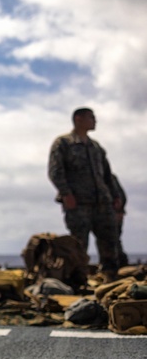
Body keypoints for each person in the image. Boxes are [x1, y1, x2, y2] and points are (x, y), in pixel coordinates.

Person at [48, 107, 124, 281]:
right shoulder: (63, 143)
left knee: (109, 240)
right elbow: (55, 171)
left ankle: (110, 277)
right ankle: (78, 279)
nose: (95, 120)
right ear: (78, 119)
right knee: (79, 244)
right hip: (78, 203)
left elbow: (107, 174)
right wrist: (66, 194)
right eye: (91, 117)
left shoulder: (96, 147)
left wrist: (116, 196)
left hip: (102, 202)